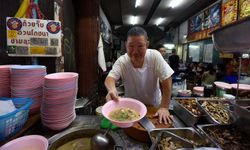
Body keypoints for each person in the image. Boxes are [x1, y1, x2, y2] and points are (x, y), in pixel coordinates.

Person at [105, 26, 174, 124]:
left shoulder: (154, 56)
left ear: (147, 44)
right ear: (126, 45)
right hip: (131, 108)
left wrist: (164, 107)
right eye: (131, 46)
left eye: (140, 46)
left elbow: (167, 79)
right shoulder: (122, 61)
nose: (135, 51)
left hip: (153, 106)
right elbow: (110, 78)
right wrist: (112, 89)